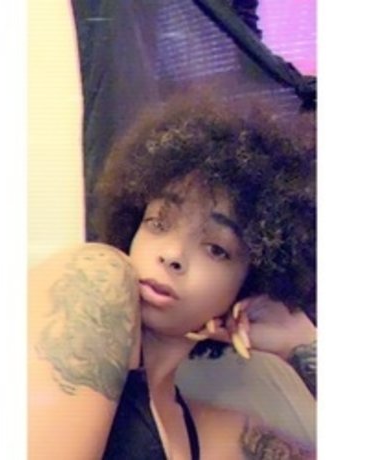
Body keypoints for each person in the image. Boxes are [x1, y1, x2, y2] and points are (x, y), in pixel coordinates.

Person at [29, 93, 316, 459]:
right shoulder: (93, 275)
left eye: (216, 248)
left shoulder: (217, 434)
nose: (172, 254)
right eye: (158, 223)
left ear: (249, 286)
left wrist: (301, 343)